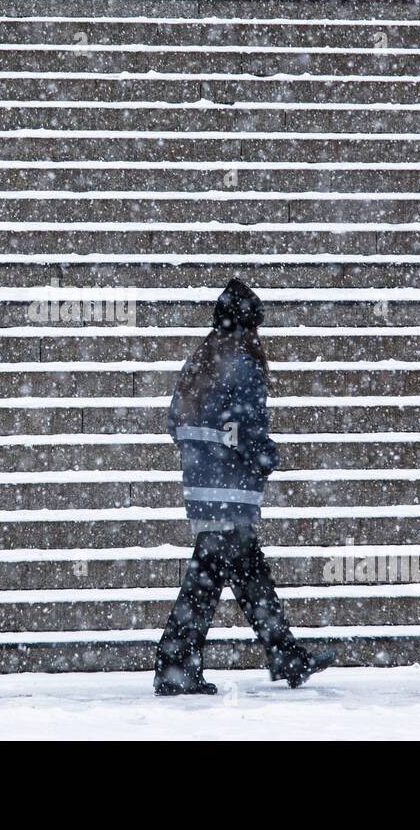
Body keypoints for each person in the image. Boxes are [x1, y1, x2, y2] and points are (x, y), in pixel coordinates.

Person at [154, 278, 336, 696]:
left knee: (244, 576)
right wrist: (264, 455)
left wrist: (205, 454)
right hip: (232, 492)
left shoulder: (199, 361)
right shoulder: (242, 363)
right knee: (213, 582)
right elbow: (244, 425)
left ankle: (284, 656)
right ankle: (175, 664)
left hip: (203, 489)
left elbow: (174, 423)